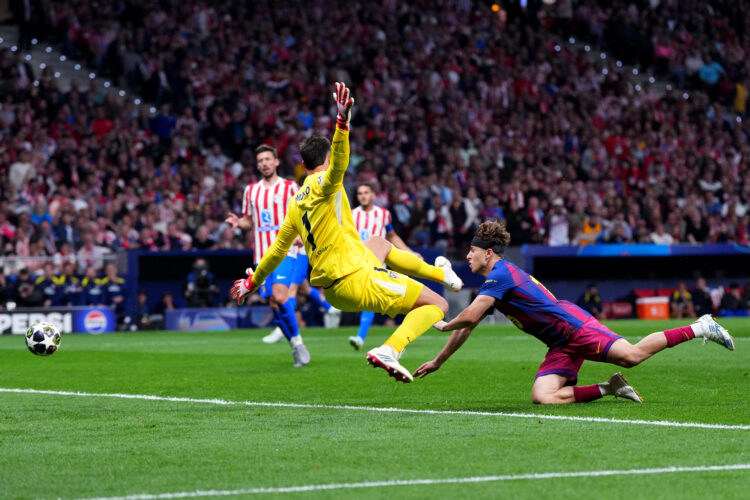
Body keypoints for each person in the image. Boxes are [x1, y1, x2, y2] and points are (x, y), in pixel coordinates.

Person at [231, 82, 462, 382]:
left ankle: (441, 273)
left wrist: (252, 282)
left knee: (378, 243)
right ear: (325, 160)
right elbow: (340, 161)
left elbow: (276, 250)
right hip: (356, 278)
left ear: (303, 163)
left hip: (334, 291)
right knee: (438, 304)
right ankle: (390, 350)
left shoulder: (294, 204)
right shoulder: (324, 184)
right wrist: (342, 122)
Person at [414, 220, 735, 403]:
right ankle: (609, 387)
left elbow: (467, 318)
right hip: (559, 343)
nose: (467, 257)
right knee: (543, 396)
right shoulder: (495, 282)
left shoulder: (500, 274)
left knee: (632, 356)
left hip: (573, 327)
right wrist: (439, 361)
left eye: (471, 251)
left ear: (487, 253)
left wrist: (443, 324)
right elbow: (468, 326)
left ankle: (700, 327)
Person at [225, 144, 311, 366]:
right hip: (261, 255)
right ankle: (294, 344)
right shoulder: (251, 191)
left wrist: (302, 234)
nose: (264, 163)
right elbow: (249, 221)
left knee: (281, 297)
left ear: (276, 162)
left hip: (285, 251)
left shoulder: (290, 187)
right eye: (260, 160)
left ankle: (298, 343)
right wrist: (238, 223)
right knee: (273, 303)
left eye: (267, 159)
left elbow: (303, 214)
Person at [348, 182, 422, 350]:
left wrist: (410, 252)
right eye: (360, 193)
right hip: (357, 261)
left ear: (373, 195)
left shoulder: (383, 214)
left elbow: (392, 236)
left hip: (377, 262)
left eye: (366, 192)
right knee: (376, 298)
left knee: (373, 297)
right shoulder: (352, 215)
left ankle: (360, 336)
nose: (363, 196)